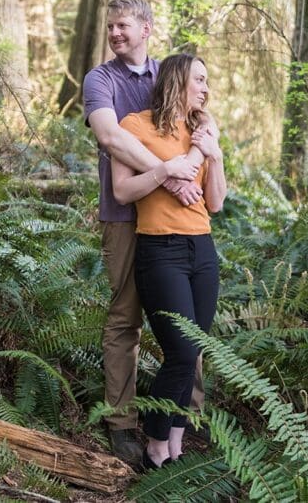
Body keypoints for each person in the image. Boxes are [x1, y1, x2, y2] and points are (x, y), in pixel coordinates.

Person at [83, 0, 211, 465]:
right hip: (125, 215)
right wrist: (169, 172)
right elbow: (111, 136)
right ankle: (120, 423)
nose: (115, 33)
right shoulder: (101, 79)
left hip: (178, 221)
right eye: (110, 26)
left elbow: (200, 118)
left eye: (123, 26)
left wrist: (185, 170)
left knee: (190, 326)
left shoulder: (169, 74)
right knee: (125, 317)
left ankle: (186, 416)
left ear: (147, 29)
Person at [111, 53, 226, 469]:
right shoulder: (135, 126)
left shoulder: (202, 129)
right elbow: (124, 192)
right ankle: (155, 444)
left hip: (202, 250)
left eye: (207, 81)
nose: (205, 88)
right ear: (177, 80)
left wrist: (214, 154)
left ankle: (175, 443)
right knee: (180, 351)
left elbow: (215, 201)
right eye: (199, 79)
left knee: (194, 350)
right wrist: (167, 171)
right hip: (160, 250)